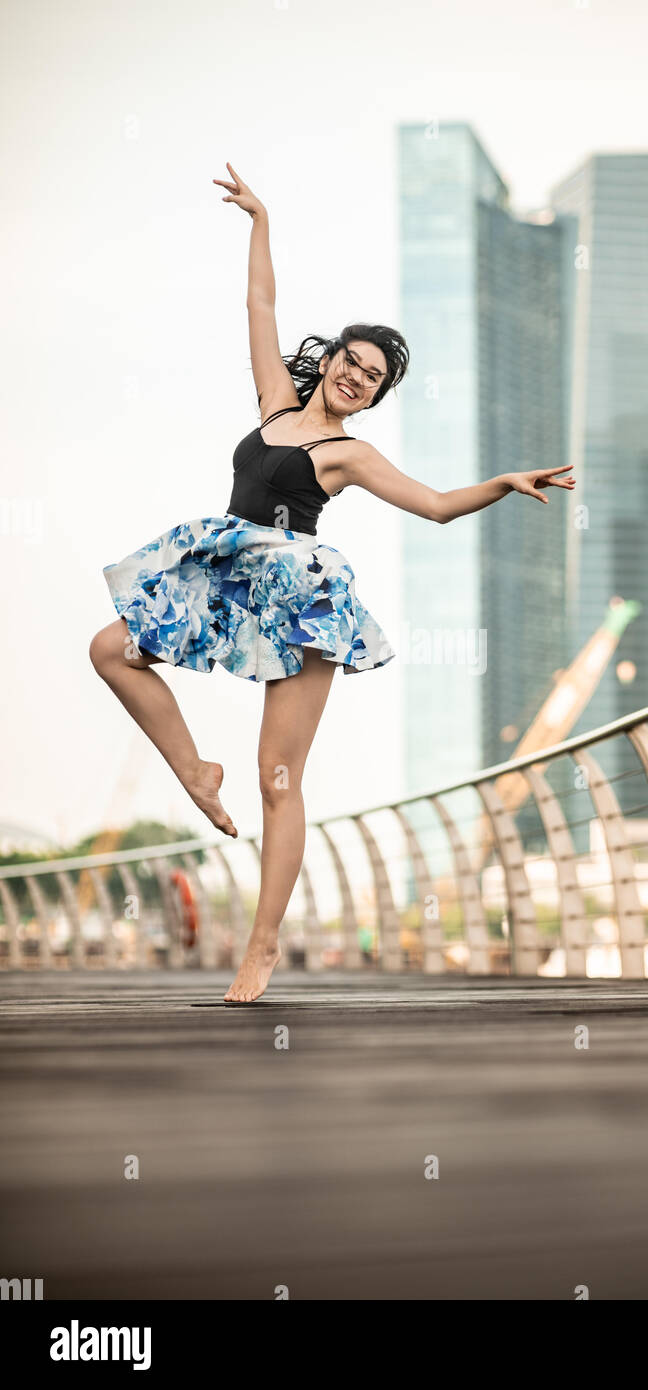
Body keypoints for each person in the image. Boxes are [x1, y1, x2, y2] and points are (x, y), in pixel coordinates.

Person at [89, 162, 575, 1004]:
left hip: (302, 596)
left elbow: (432, 506)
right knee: (110, 648)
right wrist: (260, 219)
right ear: (329, 361)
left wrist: (503, 481)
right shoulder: (275, 402)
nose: (354, 377)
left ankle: (263, 948)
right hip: (227, 571)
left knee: (279, 779)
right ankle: (194, 771)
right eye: (350, 362)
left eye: (370, 378)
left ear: (375, 397)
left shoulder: (349, 454)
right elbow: (260, 308)